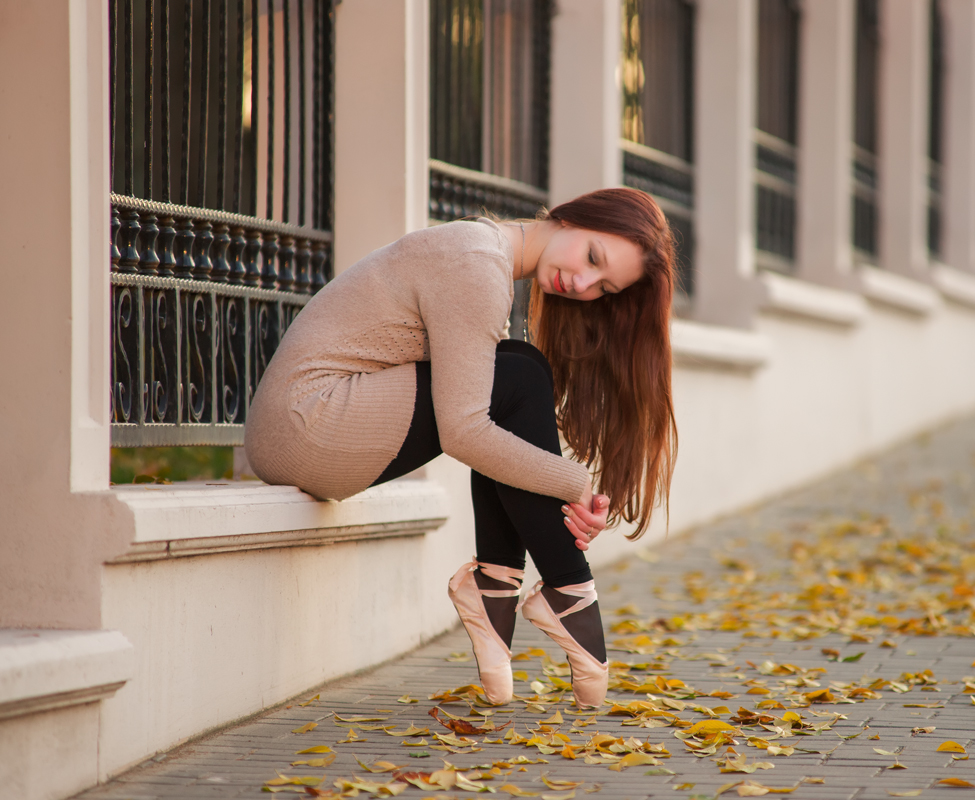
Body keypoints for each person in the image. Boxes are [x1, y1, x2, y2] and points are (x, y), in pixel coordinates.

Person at [244, 187, 679, 708]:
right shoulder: (476, 265)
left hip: (305, 427)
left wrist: (566, 483)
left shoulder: (482, 254)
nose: (582, 283)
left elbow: (473, 420)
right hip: (307, 425)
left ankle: (498, 592)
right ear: (572, 216)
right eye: (592, 257)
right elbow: (465, 432)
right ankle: (568, 594)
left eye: (602, 287)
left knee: (520, 372)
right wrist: (575, 483)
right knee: (518, 379)